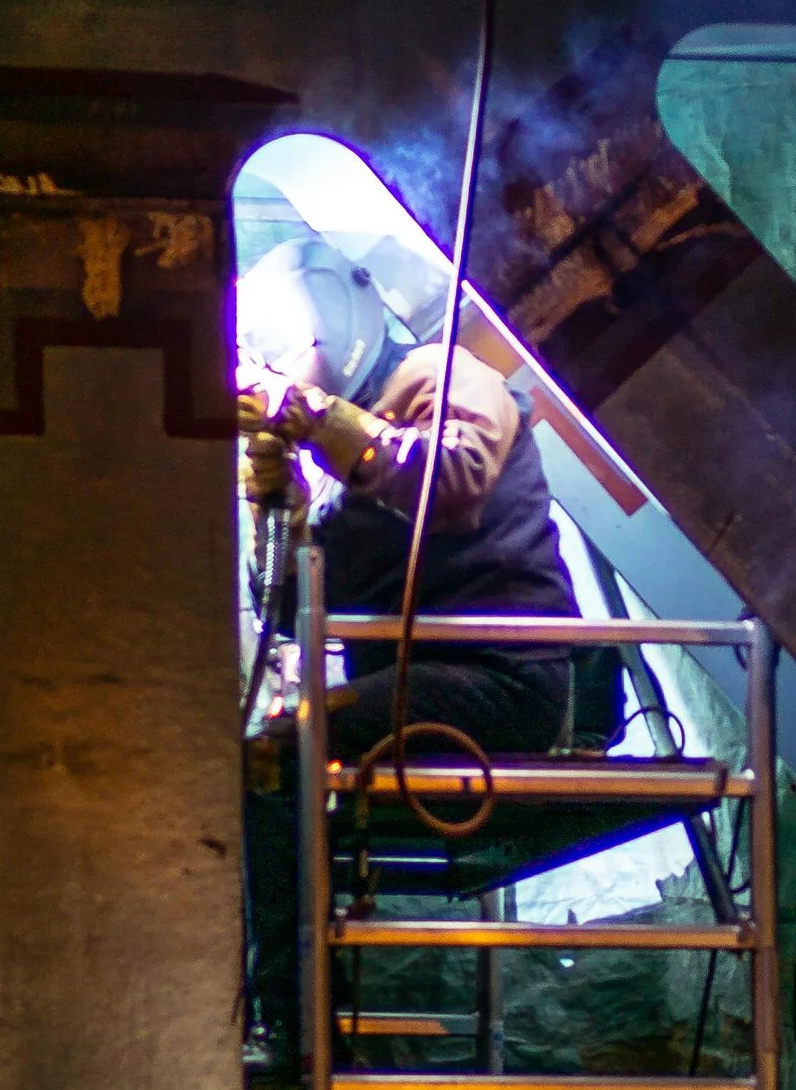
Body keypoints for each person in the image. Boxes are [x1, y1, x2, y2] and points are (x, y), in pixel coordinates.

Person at [236, 233, 578, 762]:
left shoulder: (441, 374)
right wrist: (277, 511)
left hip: (503, 677)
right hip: (410, 679)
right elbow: (289, 611)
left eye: (278, 349)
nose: (276, 370)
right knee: (269, 745)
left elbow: (455, 479)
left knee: (285, 753)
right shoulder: (324, 468)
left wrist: (324, 421)